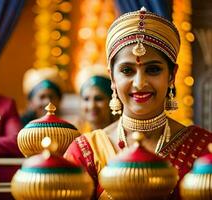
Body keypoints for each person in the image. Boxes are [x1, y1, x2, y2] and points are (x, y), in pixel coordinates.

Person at [64, 7, 212, 200]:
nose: (140, 83)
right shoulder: (87, 152)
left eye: (153, 69)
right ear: (112, 78)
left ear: (172, 75)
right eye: (127, 70)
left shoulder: (202, 147)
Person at [74, 64, 118, 132]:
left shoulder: (121, 134)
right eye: (86, 99)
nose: (92, 106)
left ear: (112, 100)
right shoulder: (73, 134)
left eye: (98, 99)